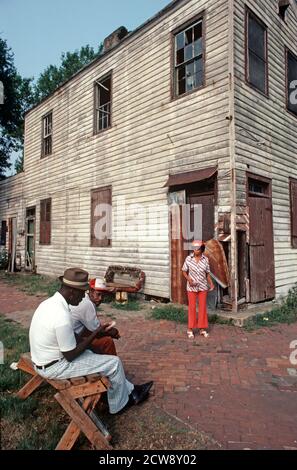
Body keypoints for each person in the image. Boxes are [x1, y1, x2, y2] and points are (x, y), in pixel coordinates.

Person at [29, 267, 153, 414]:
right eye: (82, 293)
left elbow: (73, 338)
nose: (83, 298)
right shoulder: (62, 316)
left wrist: (92, 340)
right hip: (54, 367)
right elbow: (70, 355)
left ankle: (132, 390)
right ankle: (118, 406)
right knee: (114, 363)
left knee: (96, 356)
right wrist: (96, 334)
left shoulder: (49, 303)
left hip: (42, 360)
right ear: (72, 291)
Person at [70, 278, 118, 356]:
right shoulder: (87, 303)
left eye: (103, 295)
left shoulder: (85, 299)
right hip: (71, 342)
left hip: (72, 336)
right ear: (91, 291)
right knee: (107, 341)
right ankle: (112, 365)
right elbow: (97, 330)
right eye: (98, 294)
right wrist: (112, 332)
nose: (100, 299)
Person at [182, 240, 215, 339]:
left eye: (197, 249)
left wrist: (211, 284)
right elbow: (183, 271)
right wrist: (189, 279)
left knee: (202, 307)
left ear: (201, 249)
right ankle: (190, 329)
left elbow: (207, 273)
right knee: (192, 307)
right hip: (191, 287)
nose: (195, 250)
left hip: (202, 286)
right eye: (194, 248)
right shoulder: (188, 259)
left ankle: (202, 328)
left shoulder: (205, 259)